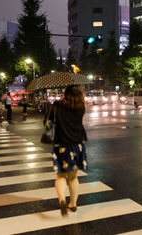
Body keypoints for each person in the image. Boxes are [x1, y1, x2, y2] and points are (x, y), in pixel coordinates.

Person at [45, 85, 88, 216]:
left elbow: (47, 123)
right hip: (77, 145)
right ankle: (73, 204)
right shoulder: (81, 107)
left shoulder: (57, 106)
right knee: (73, 177)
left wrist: (53, 105)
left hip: (61, 145)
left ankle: (62, 200)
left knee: (61, 176)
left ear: (65, 93)